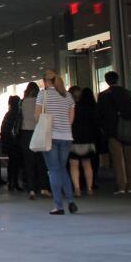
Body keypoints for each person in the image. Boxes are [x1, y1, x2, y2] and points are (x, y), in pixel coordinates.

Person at [36, 70, 77, 215]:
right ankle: (71, 201)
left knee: (53, 170)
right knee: (62, 169)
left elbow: (37, 115)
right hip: (66, 136)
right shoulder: (68, 95)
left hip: (50, 136)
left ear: (46, 81)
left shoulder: (43, 94)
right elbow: (71, 118)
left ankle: (58, 205)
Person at [97, 70, 131, 194]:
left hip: (112, 131)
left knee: (117, 159)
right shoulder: (126, 93)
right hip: (126, 128)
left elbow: (99, 114)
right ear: (117, 80)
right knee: (130, 157)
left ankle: (121, 185)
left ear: (107, 81)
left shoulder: (103, 95)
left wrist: (105, 126)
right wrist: (128, 117)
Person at [20, 81, 48, 200]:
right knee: (41, 162)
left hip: (26, 133)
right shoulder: (41, 102)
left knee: (29, 162)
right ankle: (43, 188)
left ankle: (31, 189)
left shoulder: (22, 102)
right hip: (39, 132)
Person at [69, 88, 99, 197]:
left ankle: (77, 188)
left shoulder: (70, 108)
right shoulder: (88, 108)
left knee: (74, 164)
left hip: (73, 138)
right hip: (87, 138)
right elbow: (94, 123)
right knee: (87, 164)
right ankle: (90, 188)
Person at [1, 95, 24, 191]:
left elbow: (4, 130)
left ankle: (11, 183)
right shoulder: (19, 114)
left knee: (11, 163)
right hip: (16, 142)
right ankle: (15, 182)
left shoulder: (8, 114)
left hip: (9, 142)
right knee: (16, 163)